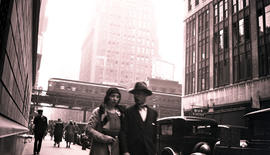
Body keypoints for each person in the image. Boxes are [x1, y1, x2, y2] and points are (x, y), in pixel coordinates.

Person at [120, 82, 158, 155]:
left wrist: (154, 151)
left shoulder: (153, 113)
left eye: (139, 94)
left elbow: (154, 135)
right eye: (135, 94)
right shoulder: (128, 112)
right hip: (133, 151)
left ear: (145, 95)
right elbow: (123, 133)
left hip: (149, 151)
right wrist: (125, 151)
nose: (136, 97)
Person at [86, 87, 125, 155]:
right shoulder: (99, 111)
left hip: (115, 148)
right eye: (112, 96)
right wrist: (103, 138)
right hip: (100, 149)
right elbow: (89, 129)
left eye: (117, 97)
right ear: (107, 97)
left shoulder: (121, 113)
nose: (115, 99)